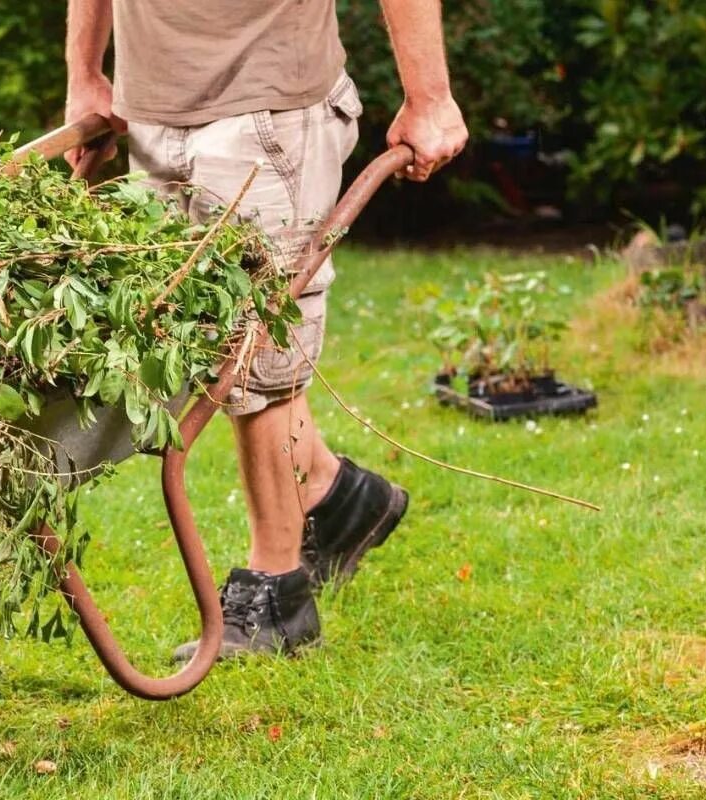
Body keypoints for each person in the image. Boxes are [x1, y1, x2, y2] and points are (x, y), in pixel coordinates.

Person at [64, 0, 468, 660]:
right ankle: (335, 494)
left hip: (267, 104)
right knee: (212, 349)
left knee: (258, 353)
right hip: (154, 109)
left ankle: (278, 591)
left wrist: (430, 97)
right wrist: (86, 74)